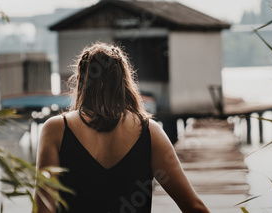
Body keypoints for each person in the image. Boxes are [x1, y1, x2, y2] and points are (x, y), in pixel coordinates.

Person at [34, 42, 209, 213]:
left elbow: (43, 209)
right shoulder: (150, 132)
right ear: (125, 82)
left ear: (81, 82)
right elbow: (194, 207)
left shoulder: (56, 130)